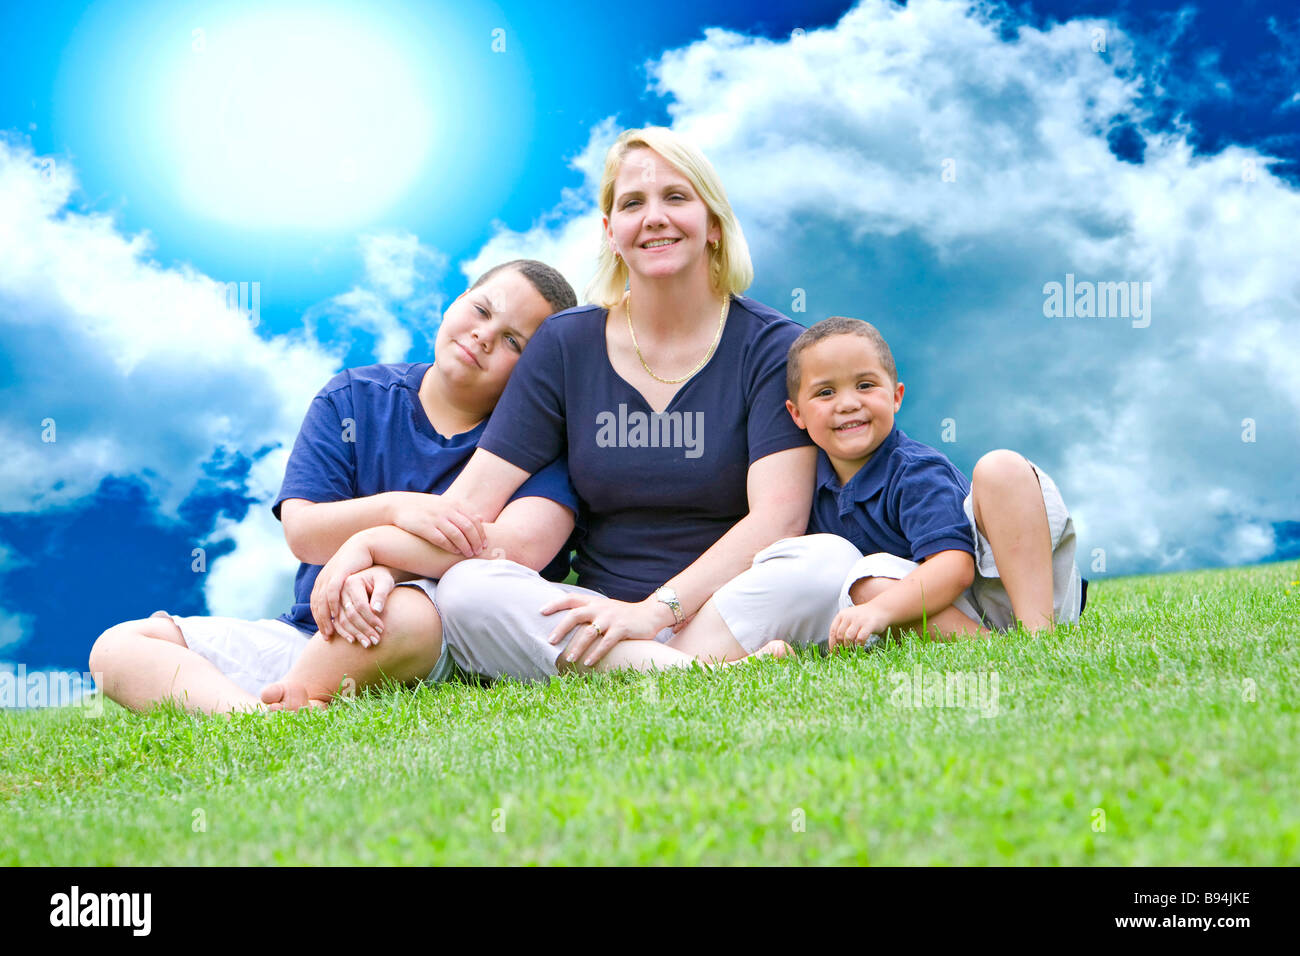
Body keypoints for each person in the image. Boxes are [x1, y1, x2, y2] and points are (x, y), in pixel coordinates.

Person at [293, 126, 847, 692]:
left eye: (676, 197)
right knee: (470, 589)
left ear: (713, 223)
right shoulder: (565, 345)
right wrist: (378, 556)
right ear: (611, 232)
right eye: (633, 203)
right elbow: (471, 508)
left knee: (824, 561)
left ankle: (662, 669)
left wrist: (654, 613)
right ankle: (700, 676)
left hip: (724, 601)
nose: (654, 217)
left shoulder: (774, 347)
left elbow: (777, 521)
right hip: (592, 611)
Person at [88, 260, 579, 713]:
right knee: (117, 647)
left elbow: (515, 551)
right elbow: (304, 531)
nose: (484, 335)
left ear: (535, 372)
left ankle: (298, 696)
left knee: (404, 611)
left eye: (514, 340)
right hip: (313, 628)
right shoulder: (353, 396)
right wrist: (395, 508)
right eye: (480, 309)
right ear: (455, 301)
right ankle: (255, 720)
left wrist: (379, 557)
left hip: (435, 635)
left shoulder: (538, 444)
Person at [673, 315, 1085, 658]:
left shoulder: (914, 471)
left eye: (865, 385)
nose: (848, 403)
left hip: (1008, 588)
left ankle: (1039, 640)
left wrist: (880, 612)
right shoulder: (809, 489)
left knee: (1001, 468)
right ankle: (989, 650)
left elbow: (955, 568)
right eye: (826, 392)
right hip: (954, 617)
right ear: (796, 415)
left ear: (896, 396)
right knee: (861, 580)